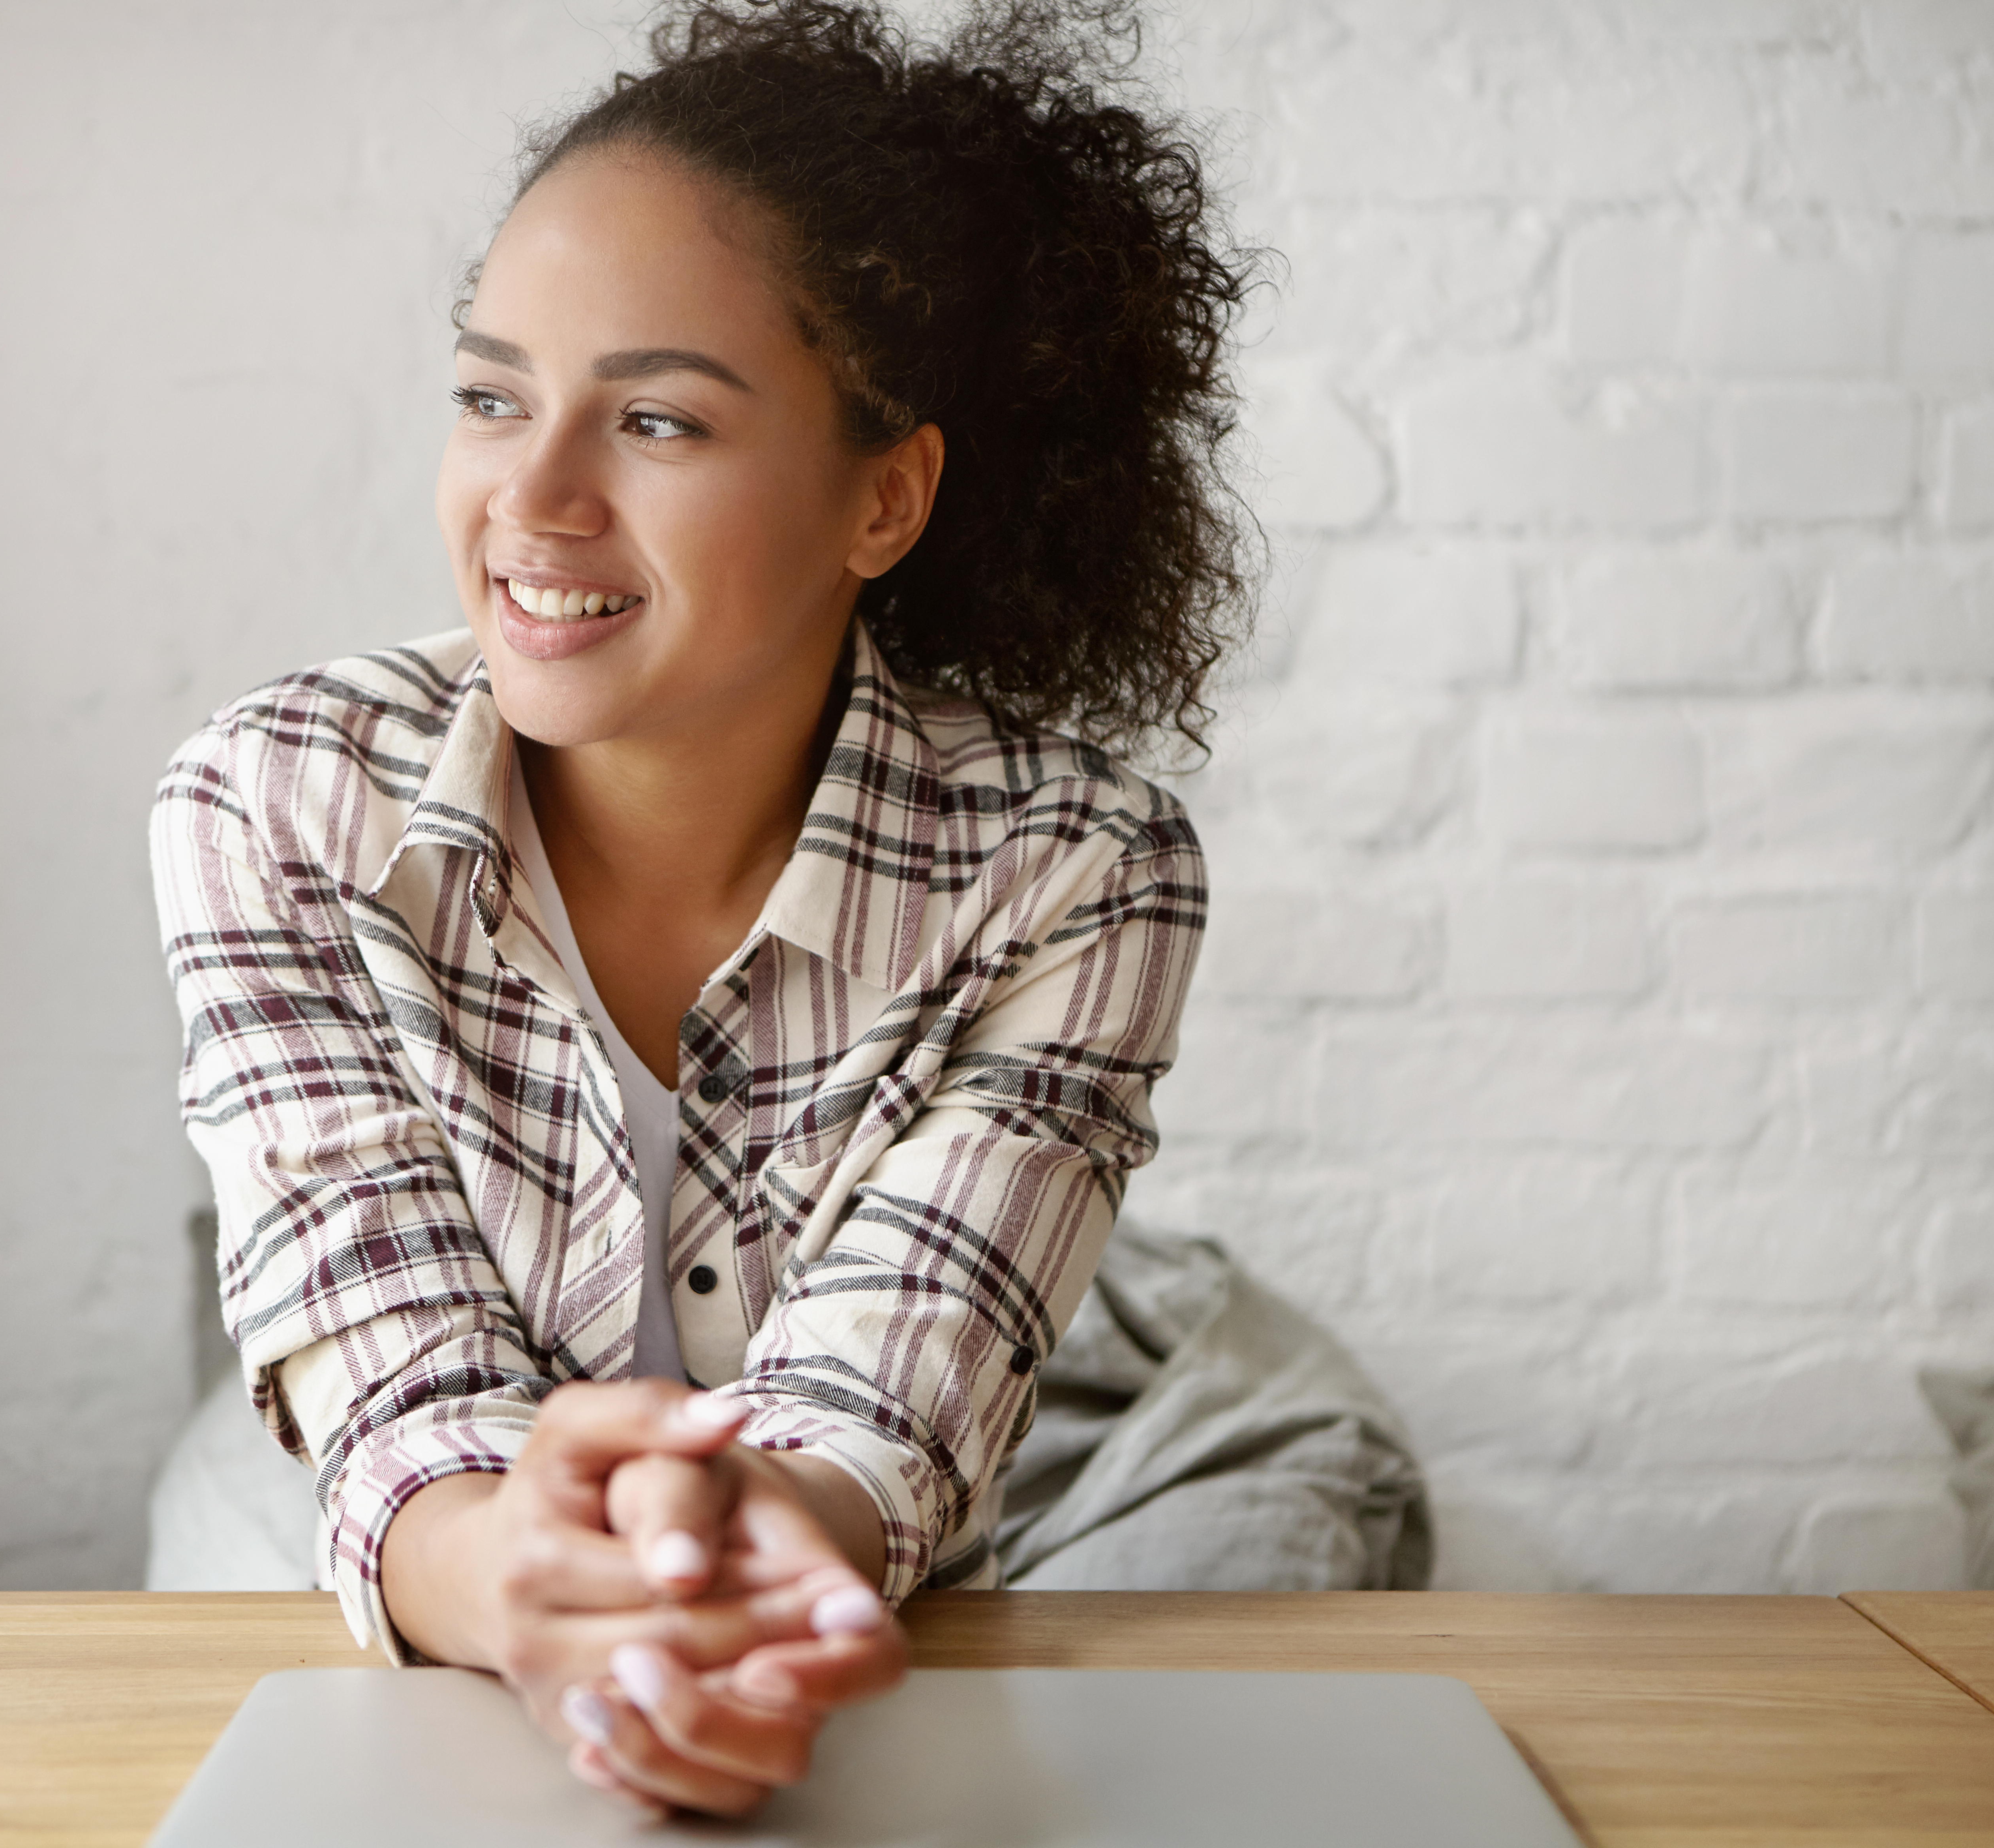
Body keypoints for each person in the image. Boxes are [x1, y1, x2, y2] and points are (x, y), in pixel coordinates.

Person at [150, 0, 1255, 1817]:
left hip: (842, 1641)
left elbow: (883, 1411)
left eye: (655, 419)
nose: (531, 497)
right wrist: (528, 1586)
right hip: (426, 1626)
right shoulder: (278, 803)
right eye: (492, 395)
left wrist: (742, 1564)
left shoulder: (1078, 868)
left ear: (884, 498)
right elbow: (400, 1401)